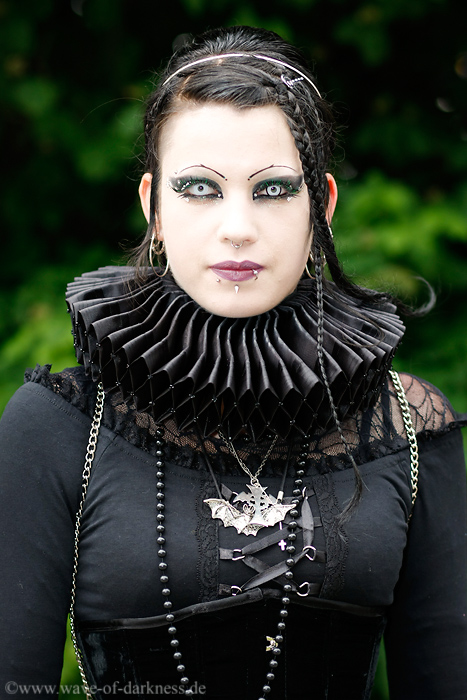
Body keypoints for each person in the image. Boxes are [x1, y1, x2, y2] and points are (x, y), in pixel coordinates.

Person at [0, 25, 466, 700]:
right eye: (199, 188)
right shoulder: (59, 425)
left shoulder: (409, 426)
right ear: (154, 208)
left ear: (322, 207)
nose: (238, 228)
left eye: (272, 190)